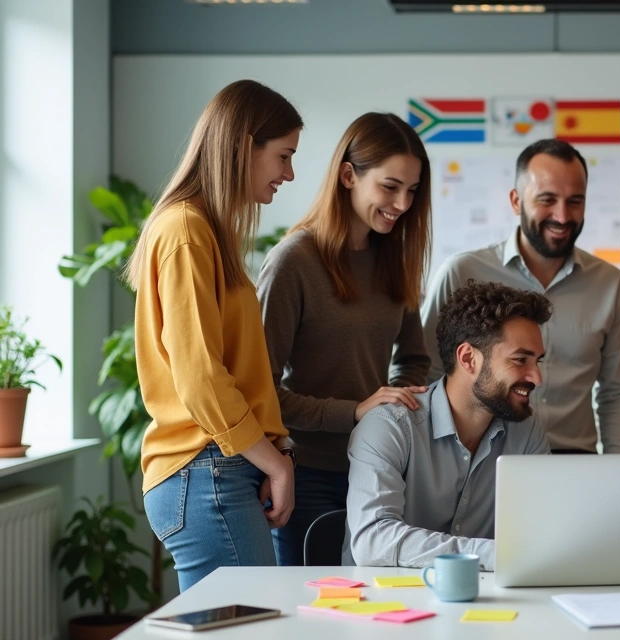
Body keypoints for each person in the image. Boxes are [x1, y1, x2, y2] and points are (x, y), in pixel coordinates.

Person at [128, 80, 302, 591]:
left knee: (242, 621)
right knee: (247, 623)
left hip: (217, 468)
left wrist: (275, 455)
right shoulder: (186, 230)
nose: (289, 174)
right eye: (284, 156)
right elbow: (201, 378)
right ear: (244, 145)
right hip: (204, 469)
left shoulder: (204, 230)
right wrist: (278, 467)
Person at [257, 112, 432, 566]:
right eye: (390, 187)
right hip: (307, 471)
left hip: (378, 468)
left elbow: (415, 359)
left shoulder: (394, 259)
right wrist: (354, 411)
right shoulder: (293, 261)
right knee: (311, 600)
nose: (402, 203)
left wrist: (390, 406)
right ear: (349, 175)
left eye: (412, 190)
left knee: (378, 598)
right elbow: (260, 393)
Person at [420, 139, 620, 455]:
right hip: (483, 459)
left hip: (574, 459)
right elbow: (430, 376)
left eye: (575, 201)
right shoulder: (462, 272)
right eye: (547, 199)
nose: (562, 215)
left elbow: (615, 394)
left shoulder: (609, 284)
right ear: (516, 201)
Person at [347, 281, 552, 570]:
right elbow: (374, 541)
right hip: (384, 595)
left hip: (486, 594)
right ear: (468, 358)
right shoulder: (389, 426)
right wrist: (493, 555)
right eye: (520, 360)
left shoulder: (527, 432)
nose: (537, 378)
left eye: (538, 361)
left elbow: (541, 533)